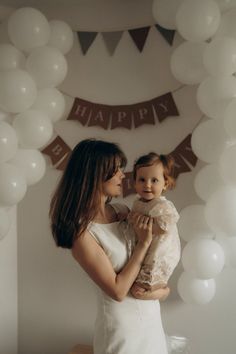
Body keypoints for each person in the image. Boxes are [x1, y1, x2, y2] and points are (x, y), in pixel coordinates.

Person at [49, 139, 169, 354]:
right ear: (95, 173)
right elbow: (118, 290)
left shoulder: (122, 211)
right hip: (122, 332)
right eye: (116, 170)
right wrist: (143, 244)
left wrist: (162, 290)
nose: (123, 175)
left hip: (151, 323)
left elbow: (153, 262)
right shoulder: (82, 233)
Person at [129, 152, 181, 293]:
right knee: (142, 262)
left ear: (165, 184)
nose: (147, 185)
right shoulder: (137, 202)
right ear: (134, 182)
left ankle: (154, 285)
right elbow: (134, 217)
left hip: (161, 245)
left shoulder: (163, 205)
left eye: (154, 180)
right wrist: (129, 217)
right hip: (146, 243)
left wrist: (143, 225)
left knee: (153, 264)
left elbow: (164, 228)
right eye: (142, 179)